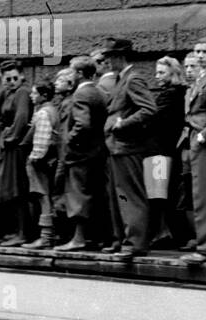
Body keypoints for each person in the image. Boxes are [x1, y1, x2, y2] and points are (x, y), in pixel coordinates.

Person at [100, 38, 157, 257]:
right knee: (118, 196)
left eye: (109, 58)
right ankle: (121, 239)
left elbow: (149, 109)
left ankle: (135, 242)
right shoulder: (121, 79)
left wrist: (123, 123)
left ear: (119, 57)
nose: (106, 62)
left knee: (130, 195)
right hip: (116, 146)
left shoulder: (133, 79)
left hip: (128, 146)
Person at [55, 57, 111, 252]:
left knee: (78, 196)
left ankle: (78, 239)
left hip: (80, 154)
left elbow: (82, 124)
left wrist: (69, 141)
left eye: (71, 71)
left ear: (79, 74)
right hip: (98, 152)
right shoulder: (99, 92)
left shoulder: (81, 94)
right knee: (95, 195)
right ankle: (95, 238)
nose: (69, 75)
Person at [147, 55, 187, 249]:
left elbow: (153, 119)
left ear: (173, 72)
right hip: (168, 150)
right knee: (165, 193)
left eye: (161, 72)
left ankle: (164, 233)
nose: (157, 76)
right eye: (156, 72)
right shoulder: (180, 92)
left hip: (159, 151)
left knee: (158, 194)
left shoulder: (168, 95)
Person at [0, 61, 34, 245]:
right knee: (10, 188)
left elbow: (22, 119)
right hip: (7, 145)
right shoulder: (7, 93)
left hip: (16, 147)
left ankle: (23, 232)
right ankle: (17, 230)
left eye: (14, 78)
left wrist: (9, 138)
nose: (11, 81)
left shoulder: (22, 93)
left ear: (22, 77)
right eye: (7, 78)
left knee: (18, 188)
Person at [23, 82, 60, 249]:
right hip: (49, 160)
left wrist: (34, 157)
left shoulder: (44, 112)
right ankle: (48, 236)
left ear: (43, 95)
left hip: (42, 162)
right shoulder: (51, 109)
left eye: (34, 93)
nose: (31, 96)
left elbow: (41, 138)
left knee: (42, 195)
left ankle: (46, 237)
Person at [184, 40, 206, 264]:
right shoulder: (202, 77)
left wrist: (204, 135)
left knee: (204, 196)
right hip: (198, 139)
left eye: (205, 51)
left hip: (205, 141)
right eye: (197, 51)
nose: (200, 55)